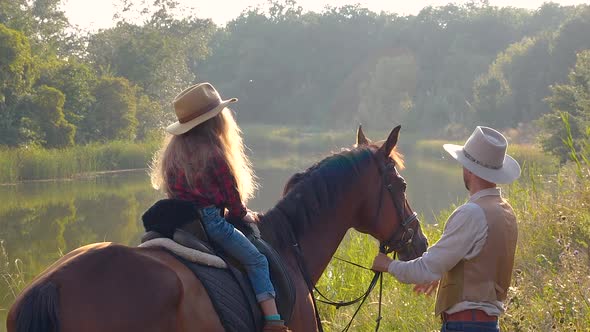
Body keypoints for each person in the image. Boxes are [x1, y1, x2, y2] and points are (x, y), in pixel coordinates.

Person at [150, 82, 289, 332]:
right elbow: (232, 198)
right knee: (257, 261)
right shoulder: (214, 153)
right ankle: (273, 322)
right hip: (211, 221)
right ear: (214, 121)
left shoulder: (173, 153)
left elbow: (172, 190)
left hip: (180, 220)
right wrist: (244, 215)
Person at [372, 126, 521, 332]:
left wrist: (387, 265)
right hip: (488, 325)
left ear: (469, 169)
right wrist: (444, 275)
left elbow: (424, 269)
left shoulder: (471, 213)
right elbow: (482, 264)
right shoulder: (506, 212)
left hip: (464, 325)